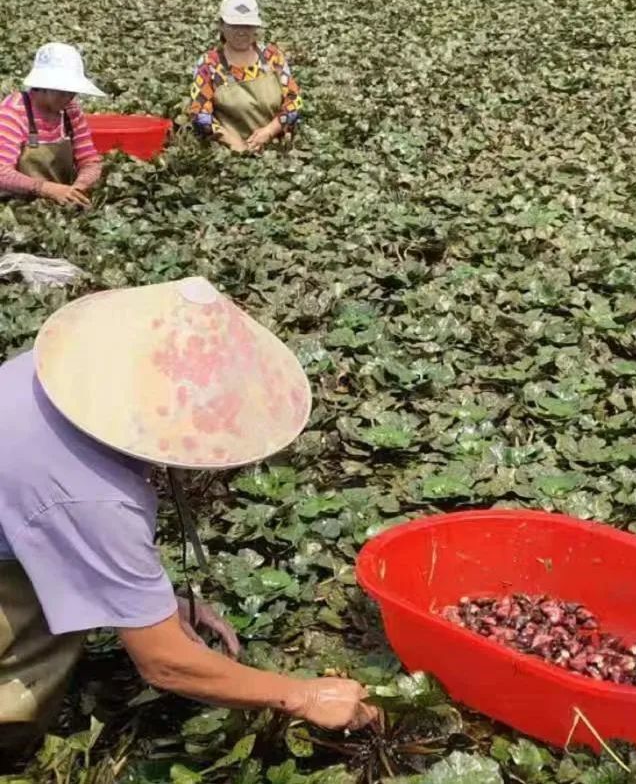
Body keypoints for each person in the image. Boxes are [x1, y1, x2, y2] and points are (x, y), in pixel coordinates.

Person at [0, 277, 379, 760]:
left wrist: (155, 602)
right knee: (22, 673)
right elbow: (165, 665)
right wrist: (300, 694)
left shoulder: (53, 374)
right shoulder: (94, 499)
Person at [188, 0, 302, 153]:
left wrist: (269, 131)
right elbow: (199, 113)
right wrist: (232, 142)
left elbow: (294, 102)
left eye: (247, 26)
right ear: (221, 26)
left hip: (277, 148)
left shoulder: (272, 56)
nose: (241, 32)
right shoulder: (209, 63)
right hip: (229, 153)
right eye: (234, 26)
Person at [0, 43, 105, 208]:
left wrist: (80, 186)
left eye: (72, 92)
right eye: (62, 92)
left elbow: (90, 160)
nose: (69, 97)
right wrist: (45, 189)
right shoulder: (13, 113)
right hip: (15, 205)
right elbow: (2, 173)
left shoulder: (71, 112)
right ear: (42, 87)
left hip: (60, 202)